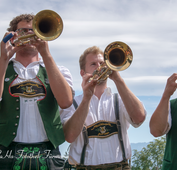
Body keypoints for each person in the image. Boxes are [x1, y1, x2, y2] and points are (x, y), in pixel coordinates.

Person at [0, 13, 74, 170]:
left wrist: (46, 54)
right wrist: (3, 60)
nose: (31, 34)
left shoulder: (59, 70)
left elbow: (66, 102)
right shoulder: (2, 68)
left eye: (35, 29)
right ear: (13, 36)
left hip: (48, 151)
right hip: (6, 151)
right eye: (24, 30)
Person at [61, 46, 146, 170]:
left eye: (102, 63)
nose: (99, 67)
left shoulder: (119, 99)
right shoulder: (73, 102)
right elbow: (69, 136)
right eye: (93, 64)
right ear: (82, 73)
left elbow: (139, 118)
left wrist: (118, 79)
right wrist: (86, 99)